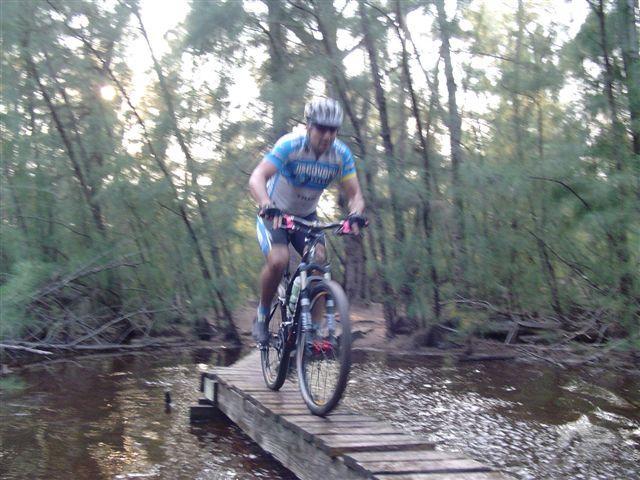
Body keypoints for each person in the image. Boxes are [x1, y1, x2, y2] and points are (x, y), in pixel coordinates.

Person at [248, 97, 365, 347]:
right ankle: (262, 314)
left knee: (318, 261)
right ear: (309, 126)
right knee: (278, 260)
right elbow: (257, 176)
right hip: (276, 214)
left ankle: (312, 332)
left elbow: (355, 194)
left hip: (306, 218)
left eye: (333, 130)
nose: (327, 135)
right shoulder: (290, 146)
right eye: (321, 128)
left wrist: (355, 213)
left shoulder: (340, 155)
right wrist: (266, 204)